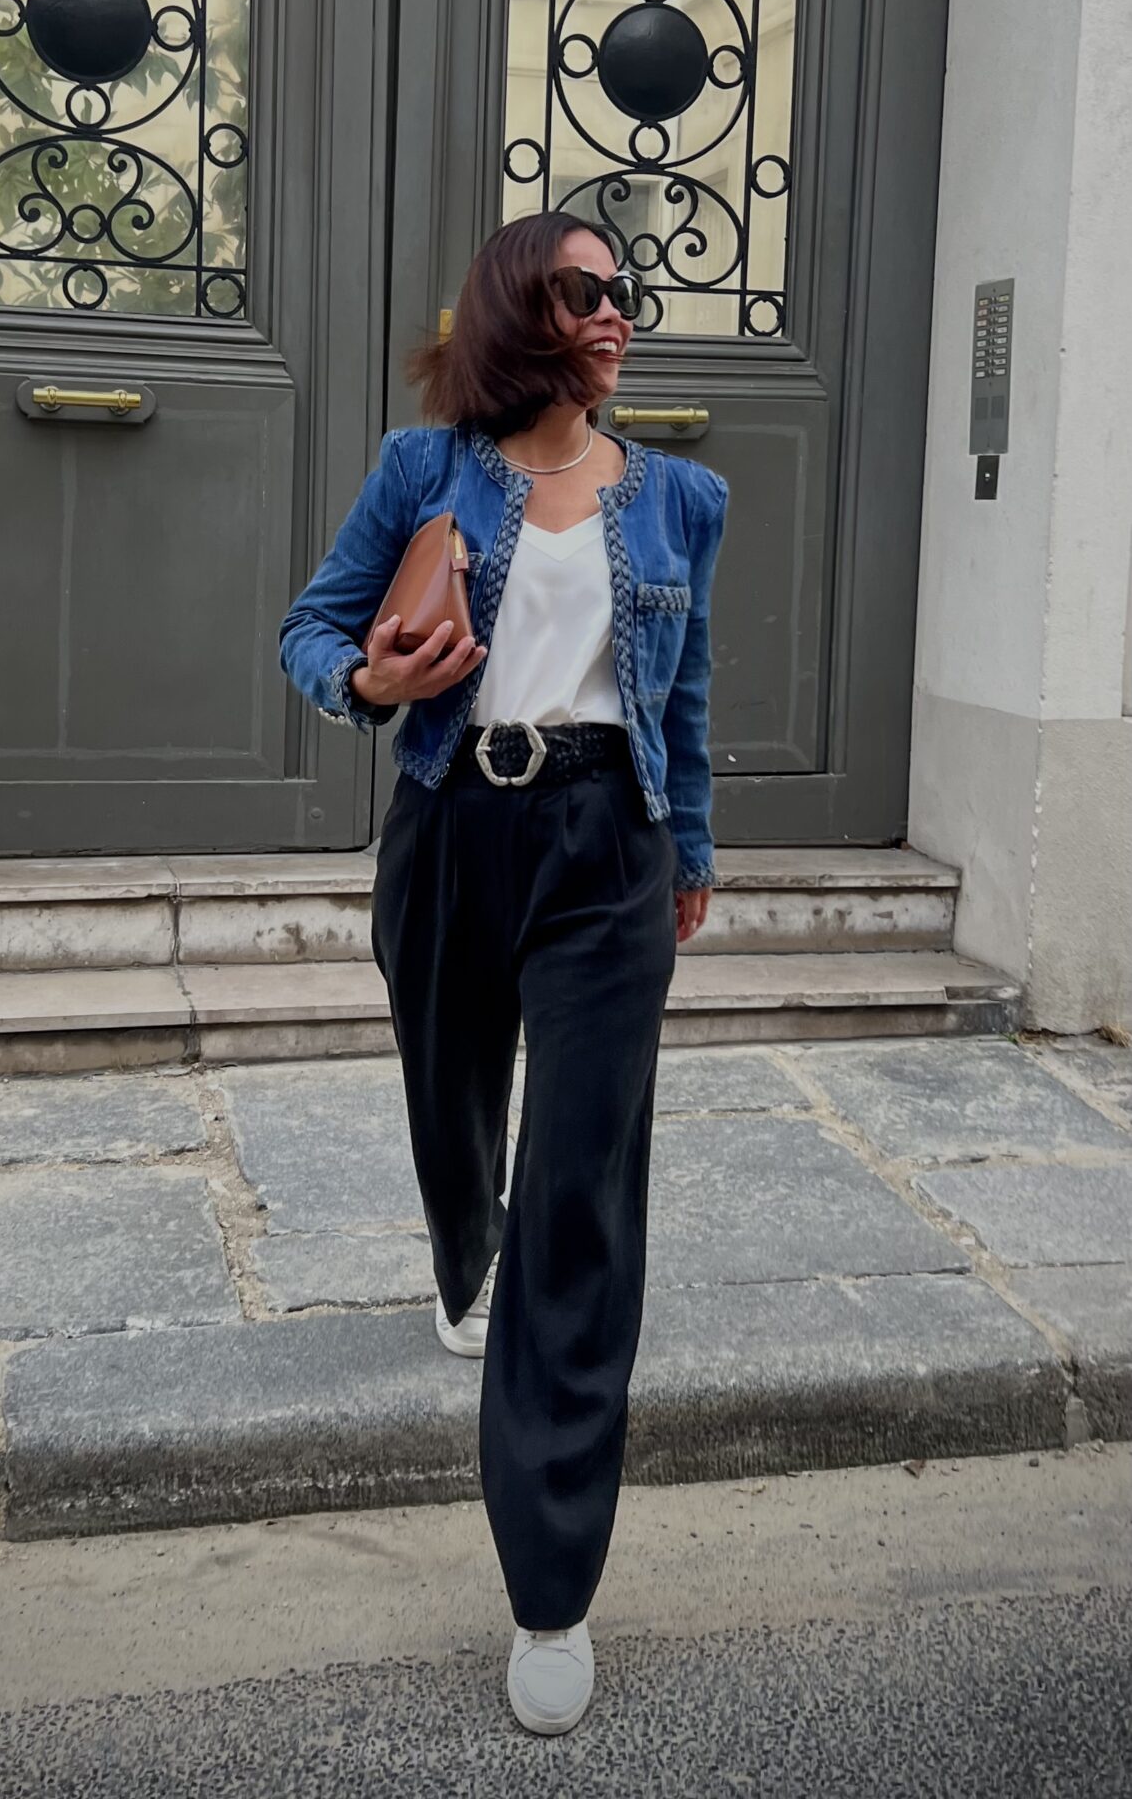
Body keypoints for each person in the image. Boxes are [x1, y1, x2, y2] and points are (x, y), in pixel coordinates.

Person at [278, 210, 728, 1737]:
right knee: (450, 1092)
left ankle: (551, 1584)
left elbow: (685, 698)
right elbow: (310, 628)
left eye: (626, 293)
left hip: (608, 841)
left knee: (583, 1188)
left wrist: (694, 856)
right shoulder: (428, 471)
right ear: (518, 309)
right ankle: (456, 1248)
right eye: (587, 290)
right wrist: (361, 680)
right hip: (456, 827)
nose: (618, 312)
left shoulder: (682, 497)